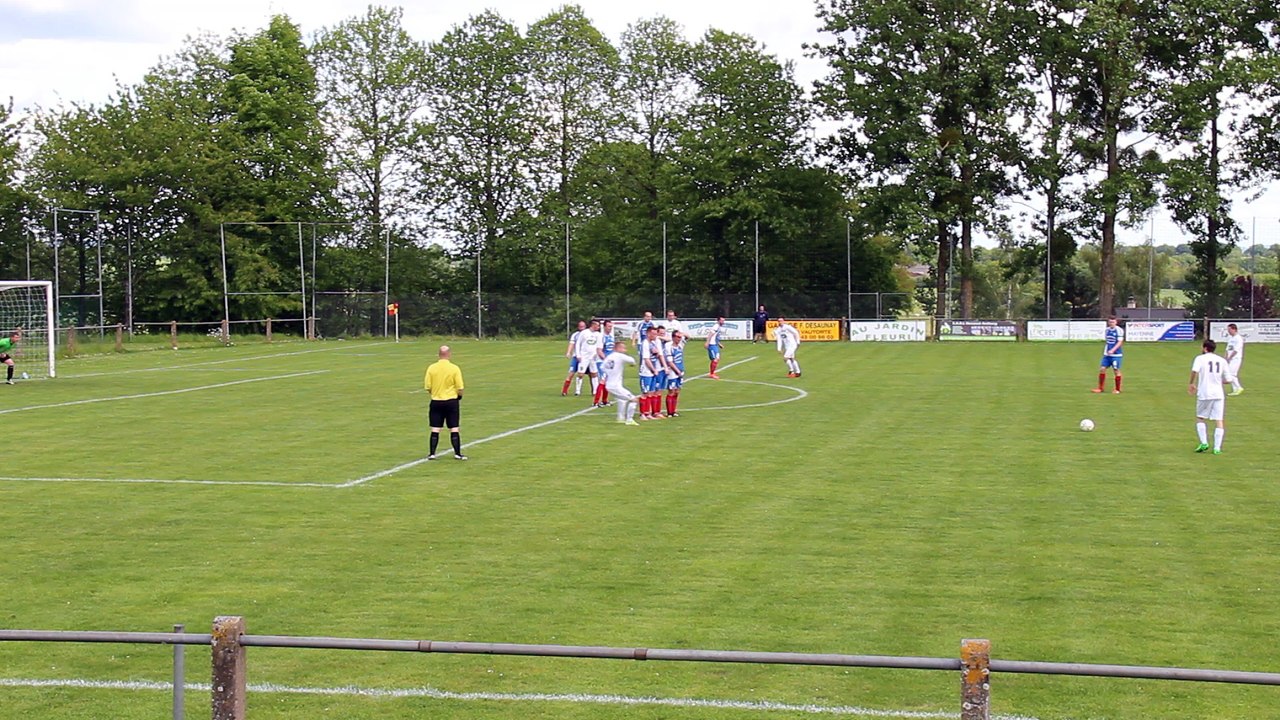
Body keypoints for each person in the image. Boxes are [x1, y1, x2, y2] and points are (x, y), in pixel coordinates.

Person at [1189, 338, 1236, 455]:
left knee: (1200, 417)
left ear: (1205, 348)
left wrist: (1191, 383)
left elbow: (1194, 371)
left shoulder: (1200, 359)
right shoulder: (1222, 360)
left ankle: (1204, 442)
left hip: (1204, 393)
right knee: (1219, 420)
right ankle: (1217, 448)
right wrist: (1218, 381)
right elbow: (1228, 380)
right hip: (1218, 394)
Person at [424, 345, 467, 461]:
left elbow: (428, 386)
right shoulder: (454, 368)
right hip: (451, 401)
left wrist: (435, 393)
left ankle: (432, 453)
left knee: (435, 428)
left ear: (439, 354)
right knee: (454, 428)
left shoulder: (432, 368)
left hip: (436, 401)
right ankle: (457, 453)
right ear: (449, 354)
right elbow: (460, 387)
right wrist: (459, 396)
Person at [600, 340, 640, 426]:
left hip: (609, 384)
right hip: (615, 386)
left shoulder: (609, 357)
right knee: (634, 399)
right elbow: (632, 360)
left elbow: (602, 368)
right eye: (623, 348)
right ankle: (629, 419)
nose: (625, 350)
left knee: (622, 400)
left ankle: (620, 418)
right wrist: (633, 364)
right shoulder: (620, 356)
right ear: (618, 348)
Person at [573, 318, 604, 400]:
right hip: (584, 356)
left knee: (594, 373)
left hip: (593, 357)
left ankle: (595, 391)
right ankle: (577, 390)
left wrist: (597, 355)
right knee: (580, 374)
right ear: (593, 325)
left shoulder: (599, 335)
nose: (598, 327)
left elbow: (599, 346)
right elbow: (578, 344)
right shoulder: (584, 333)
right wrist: (578, 355)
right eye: (597, 325)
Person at [637, 325, 663, 420]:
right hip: (646, 372)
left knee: (651, 392)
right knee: (645, 392)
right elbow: (646, 359)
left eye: (656, 334)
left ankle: (648, 413)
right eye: (653, 334)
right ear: (648, 333)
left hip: (651, 371)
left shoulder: (652, 343)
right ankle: (642, 414)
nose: (655, 336)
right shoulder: (645, 343)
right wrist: (654, 369)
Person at [1093, 315, 1124, 394]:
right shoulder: (1107, 330)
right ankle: (1100, 388)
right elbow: (1108, 341)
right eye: (1110, 322)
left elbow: (1120, 342)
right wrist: (1107, 351)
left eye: (1113, 322)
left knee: (1116, 370)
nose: (1111, 323)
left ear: (1116, 322)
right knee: (1102, 369)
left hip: (1116, 355)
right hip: (1107, 355)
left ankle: (1117, 389)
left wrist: (1113, 350)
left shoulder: (1119, 330)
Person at [593, 319, 616, 407]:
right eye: (609, 326)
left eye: (611, 326)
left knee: (607, 380)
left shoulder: (611, 336)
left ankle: (605, 400)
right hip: (602, 362)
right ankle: (596, 402)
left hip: (609, 362)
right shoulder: (601, 337)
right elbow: (599, 350)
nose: (610, 328)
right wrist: (606, 360)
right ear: (604, 327)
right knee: (602, 380)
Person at [664, 329, 686, 417]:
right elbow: (670, 362)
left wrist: (682, 333)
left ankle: (674, 411)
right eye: (677, 337)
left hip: (680, 370)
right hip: (673, 372)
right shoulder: (669, 346)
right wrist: (677, 371)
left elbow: (688, 336)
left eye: (680, 337)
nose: (679, 339)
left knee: (677, 391)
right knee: (671, 391)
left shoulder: (680, 345)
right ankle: (669, 412)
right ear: (673, 337)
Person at [561, 320, 586, 396]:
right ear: (578, 327)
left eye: (583, 326)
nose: (582, 328)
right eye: (580, 326)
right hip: (576, 357)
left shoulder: (589, 334)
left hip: (586, 358)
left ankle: (593, 391)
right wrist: (568, 352)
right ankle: (564, 391)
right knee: (571, 373)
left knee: (591, 374)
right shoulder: (575, 335)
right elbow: (571, 344)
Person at [1225, 323, 1245, 396]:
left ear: (1234, 329)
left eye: (1229, 330)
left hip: (1236, 358)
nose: (1228, 331)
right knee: (1232, 374)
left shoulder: (1239, 338)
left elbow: (1236, 350)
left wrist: (1230, 358)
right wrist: (1226, 357)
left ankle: (1238, 387)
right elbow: (1227, 349)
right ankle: (1235, 389)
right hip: (1230, 359)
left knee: (1231, 374)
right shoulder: (1230, 339)